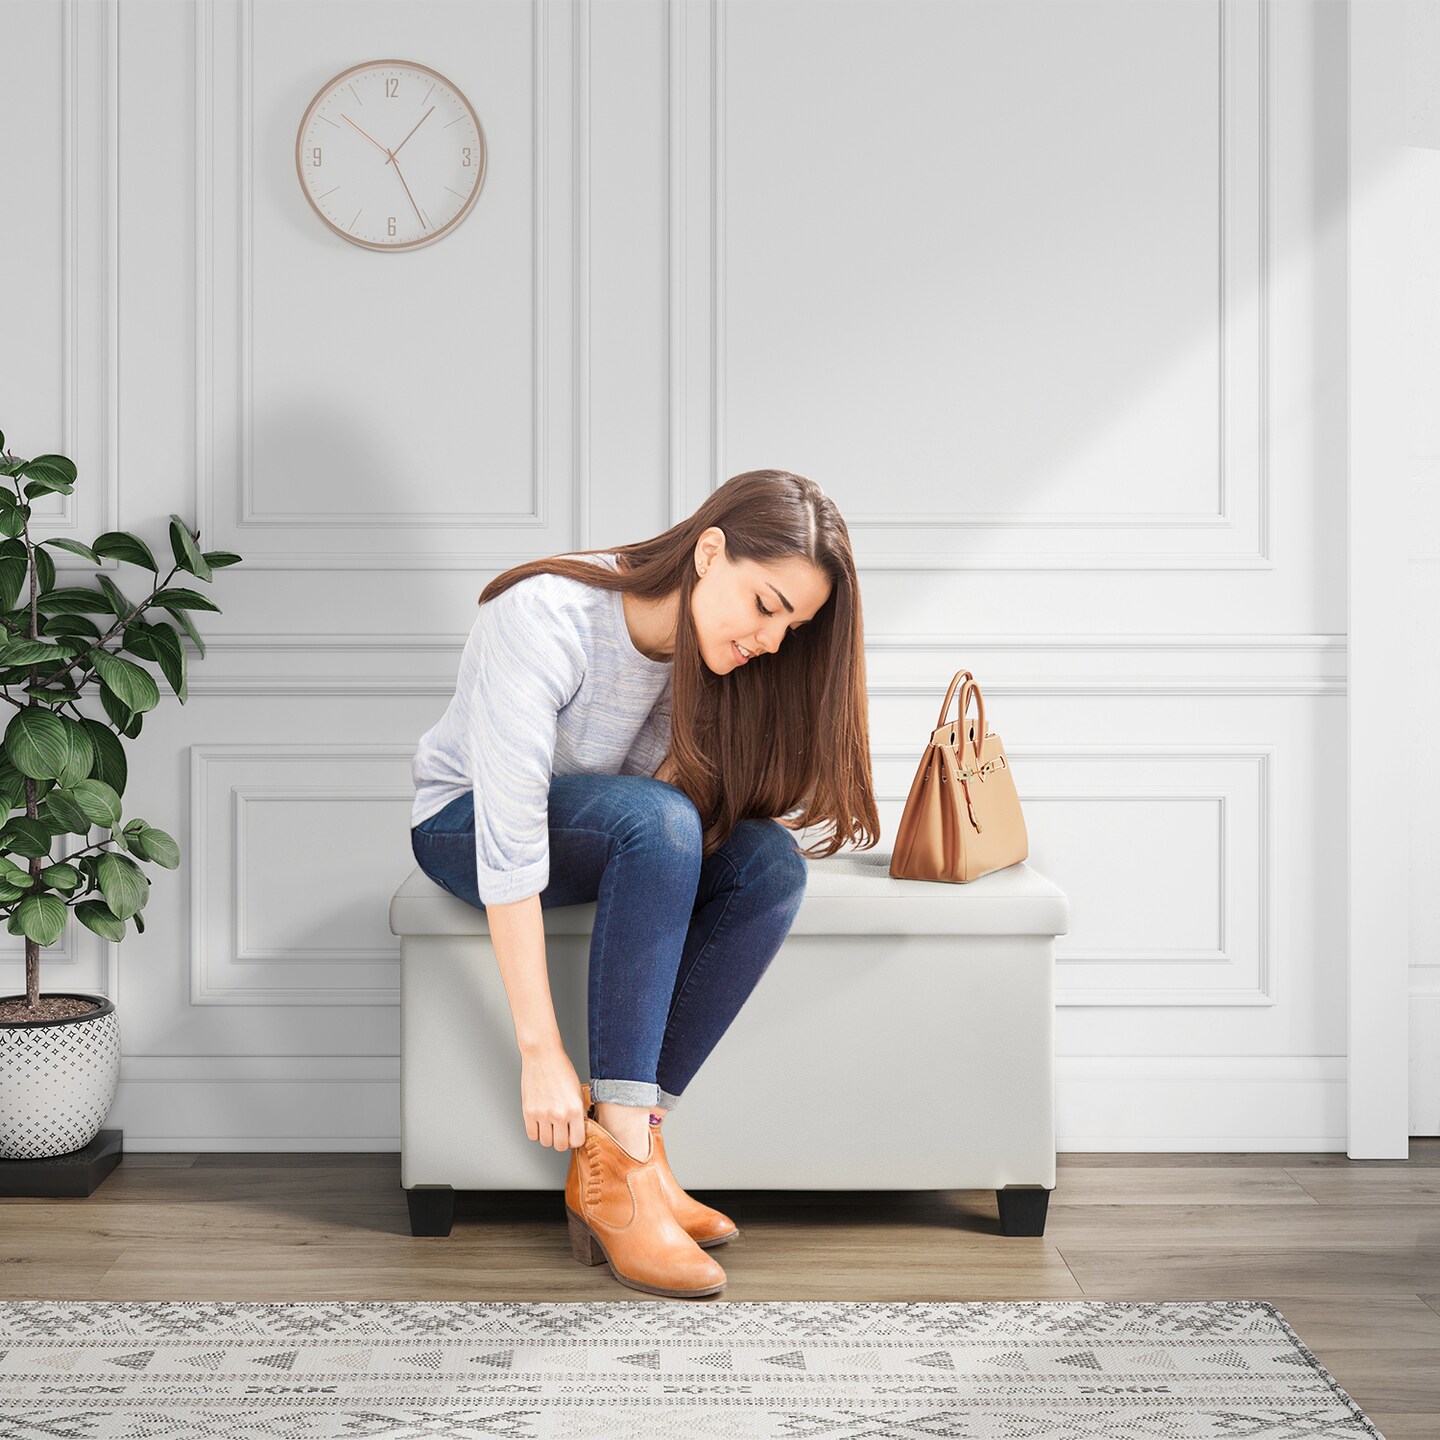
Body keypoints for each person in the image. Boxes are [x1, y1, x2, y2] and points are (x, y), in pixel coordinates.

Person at [409, 468, 880, 1298]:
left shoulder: (715, 663)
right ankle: (625, 1171)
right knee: (657, 821)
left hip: (608, 830)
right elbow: (512, 834)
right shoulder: (546, 614)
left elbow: (684, 823)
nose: (773, 640)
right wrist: (542, 1053)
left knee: (768, 863)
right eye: (766, 604)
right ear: (709, 552)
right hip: (466, 822)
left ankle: (631, 1152)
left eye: (793, 625)